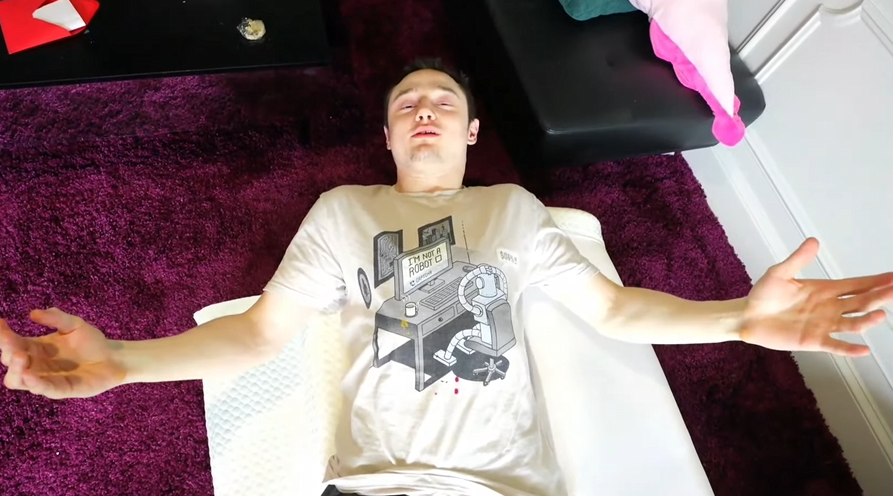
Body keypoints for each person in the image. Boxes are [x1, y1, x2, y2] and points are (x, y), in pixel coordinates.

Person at [1, 58, 891, 496]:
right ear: (388, 136)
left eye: (442, 102)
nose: (423, 109)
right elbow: (262, 333)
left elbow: (615, 310)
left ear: (469, 133)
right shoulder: (343, 211)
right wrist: (126, 360)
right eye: (405, 104)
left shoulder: (512, 209)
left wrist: (737, 317)